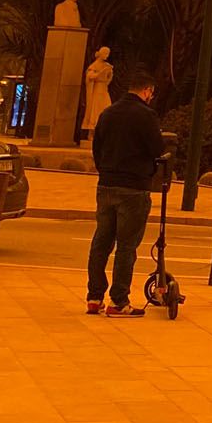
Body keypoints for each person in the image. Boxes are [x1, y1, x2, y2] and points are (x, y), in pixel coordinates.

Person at [85, 68, 164, 317]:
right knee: (126, 246)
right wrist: (149, 172)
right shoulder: (146, 116)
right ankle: (119, 301)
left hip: (106, 184)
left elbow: (97, 148)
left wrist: (106, 170)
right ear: (147, 91)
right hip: (134, 187)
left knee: (101, 242)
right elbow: (157, 149)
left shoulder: (107, 113)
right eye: (151, 93)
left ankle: (94, 297)